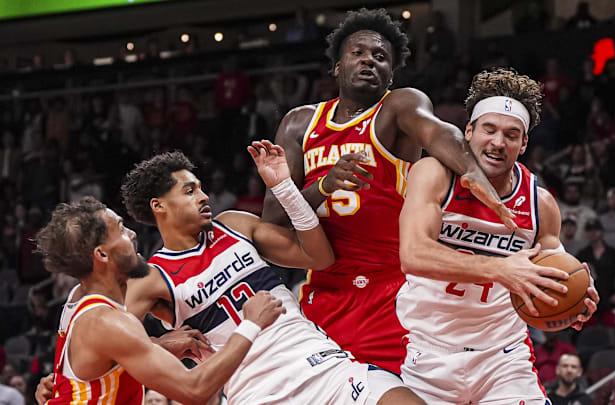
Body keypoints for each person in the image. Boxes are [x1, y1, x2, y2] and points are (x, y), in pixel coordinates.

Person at [262, 7, 521, 374]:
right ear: (337, 66)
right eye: (358, 53)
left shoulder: (398, 106)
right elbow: (272, 218)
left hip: (392, 288)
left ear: (391, 73)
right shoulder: (299, 123)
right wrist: (324, 185)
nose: (369, 60)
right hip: (326, 285)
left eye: (380, 57)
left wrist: (472, 171)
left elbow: (437, 132)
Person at [119, 145, 424, 404]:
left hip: (325, 367)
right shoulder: (152, 277)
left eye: (200, 188)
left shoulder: (234, 225)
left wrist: (285, 189)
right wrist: (159, 345)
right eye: (189, 191)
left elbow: (318, 256)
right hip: (260, 393)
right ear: (158, 206)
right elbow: (110, 349)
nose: (203, 197)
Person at [395, 68, 599, 403]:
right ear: (469, 131)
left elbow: (556, 274)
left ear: (524, 144)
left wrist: (576, 298)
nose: (498, 142)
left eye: (511, 134)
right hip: (423, 353)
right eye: (489, 130)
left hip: (502, 358)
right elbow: (413, 254)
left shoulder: (540, 203)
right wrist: (500, 268)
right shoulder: (435, 175)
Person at [34, 196, 286, 405]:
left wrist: (157, 345)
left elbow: (94, 367)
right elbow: (194, 389)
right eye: (121, 229)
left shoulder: (78, 298)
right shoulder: (109, 322)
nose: (132, 234)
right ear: (101, 254)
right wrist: (251, 324)